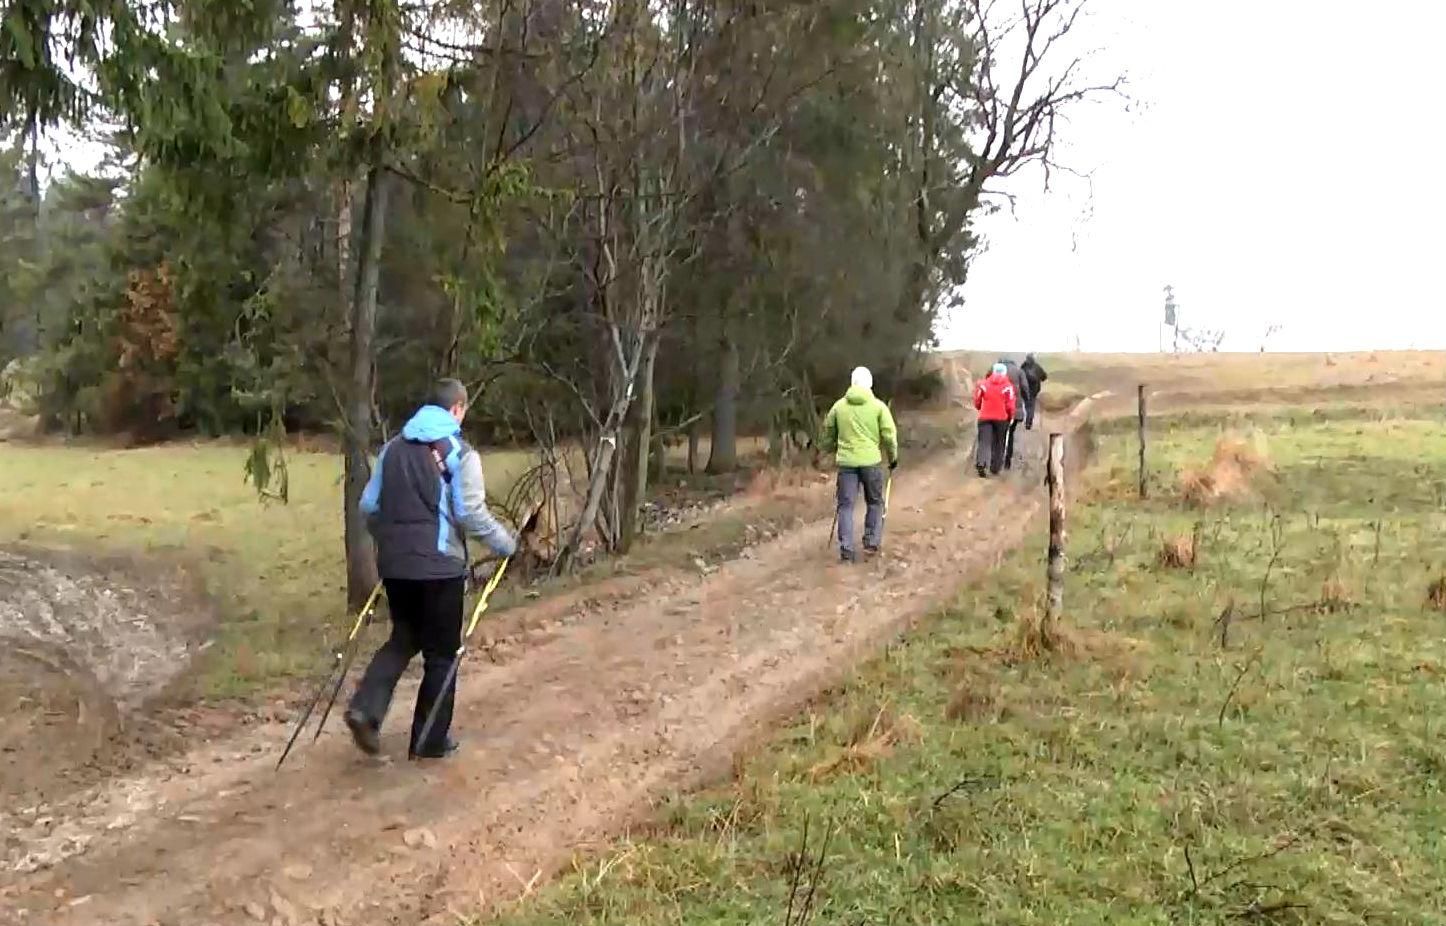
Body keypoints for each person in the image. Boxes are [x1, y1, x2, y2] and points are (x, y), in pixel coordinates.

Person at [343, 379, 517, 760]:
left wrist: (389, 540)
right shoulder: (460, 452)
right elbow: (470, 513)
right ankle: (429, 741)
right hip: (440, 569)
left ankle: (365, 710)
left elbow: (369, 507)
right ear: (457, 409)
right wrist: (507, 544)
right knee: (442, 652)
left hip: (395, 565)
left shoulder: (391, 450)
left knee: (404, 636)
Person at [818, 366, 899, 563]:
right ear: (870, 383)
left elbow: (828, 432)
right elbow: (889, 435)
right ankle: (871, 541)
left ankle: (846, 548)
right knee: (875, 502)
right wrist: (893, 457)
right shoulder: (879, 407)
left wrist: (825, 450)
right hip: (871, 462)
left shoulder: (838, 407)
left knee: (845, 505)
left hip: (846, 463)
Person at [973, 363, 1016, 478]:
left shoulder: (983, 384)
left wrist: (980, 408)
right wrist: (1011, 416)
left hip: (985, 417)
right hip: (1001, 418)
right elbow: (1010, 404)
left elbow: (977, 399)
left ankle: (981, 463)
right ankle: (995, 468)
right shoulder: (1008, 386)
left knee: (984, 442)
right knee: (999, 442)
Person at [999, 357, 1032, 471]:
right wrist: (1027, 398)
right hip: (1015, 407)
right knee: (1011, 433)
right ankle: (1007, 461)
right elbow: (1025, 387)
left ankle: (997, 458)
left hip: (999, 407)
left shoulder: (997, 370)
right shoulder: (1019, 371)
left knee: (999, 433)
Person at [1020, 353, 1048, 430]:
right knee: (1031, 407)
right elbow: (1044, 377)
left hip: (1024, 390)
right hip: (1034, 390)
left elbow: (1020, 376)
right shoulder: (1037, 367)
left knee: (1026, 405)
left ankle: (1025, 418)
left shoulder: (1023, 366)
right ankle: (1029, 422)